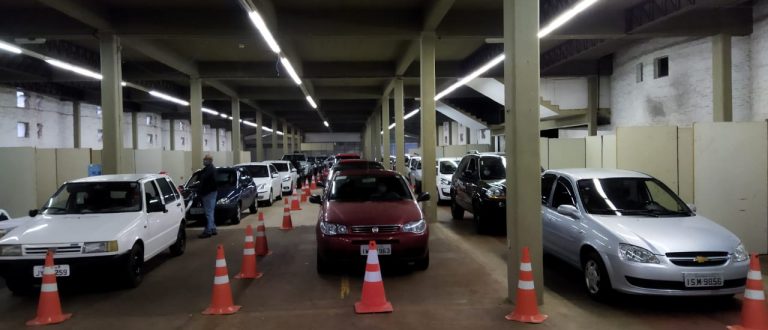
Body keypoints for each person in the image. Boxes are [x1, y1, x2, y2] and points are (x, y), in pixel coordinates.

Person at [198, 154, 218, 238]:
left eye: (205, 160)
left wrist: (204, 191)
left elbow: (210, 183)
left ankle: (208, 230)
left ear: (209, 161)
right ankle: (213, 228)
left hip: (208, 193)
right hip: (210, 193)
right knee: (210, 212)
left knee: (208, 213)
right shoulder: (208, 169)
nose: (204, 161)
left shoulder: (210, 170)